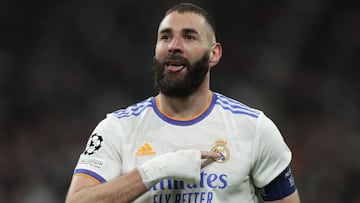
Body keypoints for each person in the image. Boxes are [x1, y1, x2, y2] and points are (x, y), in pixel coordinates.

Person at [65, 3, 300, 203]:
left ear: (214, 54)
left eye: (189, 37)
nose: (173, 45)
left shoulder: (254, 128)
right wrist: (156, 171)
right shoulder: (117, 129)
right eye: (165, 37)